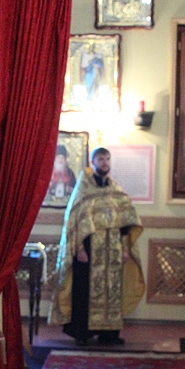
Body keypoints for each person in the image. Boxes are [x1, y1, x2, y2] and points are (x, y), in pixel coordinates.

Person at [50, 147, 145, 346]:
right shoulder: (83, 190)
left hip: (112, 250)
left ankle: (108, 334)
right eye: (100, 159)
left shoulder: (116, 191)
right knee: (84, 291)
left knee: (112, 291)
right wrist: (79, 249)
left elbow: (125, 222)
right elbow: (75, 222)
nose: (104, 162)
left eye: (107, 159)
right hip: (88, 250)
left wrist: (124, 248)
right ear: (92, 162)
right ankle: (82, 333)